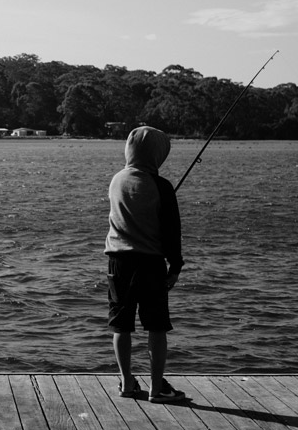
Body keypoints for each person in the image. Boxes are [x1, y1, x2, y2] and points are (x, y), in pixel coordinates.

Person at [105, 126, 186, 403]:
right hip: (150, 264)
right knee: (157, 327)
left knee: (121, 325)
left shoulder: (116, 180)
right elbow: (172, 232)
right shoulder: (161, 186)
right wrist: (175, 267)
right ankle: (156, 388)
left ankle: (127, 383)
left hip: (117, 262)